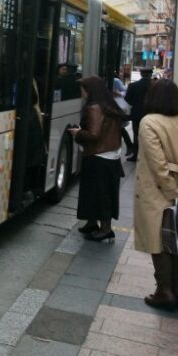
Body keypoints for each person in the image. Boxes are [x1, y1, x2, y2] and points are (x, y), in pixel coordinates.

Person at [133, 79, 178, 310]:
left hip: (156, 193)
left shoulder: (148, 122)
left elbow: (158, 165)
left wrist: (176, 192)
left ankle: (163, 291)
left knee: (158, 241)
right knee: (177, 239)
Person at [70, 75, 125, 242]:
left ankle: (105, 229)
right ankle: (92, 223)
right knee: (101, 192)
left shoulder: (94, 107)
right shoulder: (108, 104)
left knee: (99, 193)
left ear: (90, 90)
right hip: (110, 156)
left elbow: (94, 134)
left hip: (97, 156)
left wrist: (77, 132)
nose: (82, 92)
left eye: (83, 89)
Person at [124, 68, 153, 161]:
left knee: (137, 135)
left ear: (141, 74)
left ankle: (136, 155)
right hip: (152, 115)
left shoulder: (133, 85)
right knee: (151, 136)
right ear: (150, 74)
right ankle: (149, 157)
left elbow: (127, 99)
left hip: (137, 114)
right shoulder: (156, 85)